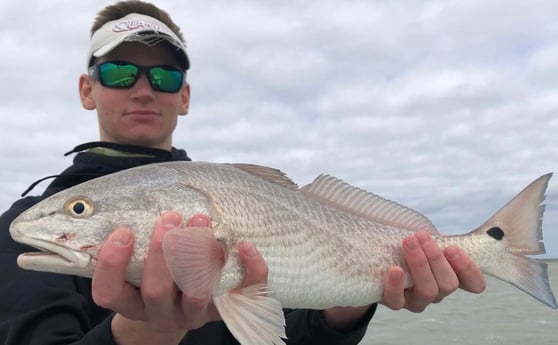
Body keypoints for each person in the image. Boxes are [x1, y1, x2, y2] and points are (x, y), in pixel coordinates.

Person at [0, 1, 486, 344]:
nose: (144, 89)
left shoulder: (233, 190)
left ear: (184, 96)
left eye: (165, 76)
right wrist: (149, 329)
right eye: (119, 73)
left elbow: (292, 335)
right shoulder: (24, 226)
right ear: (87, 89)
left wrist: (357, 296)